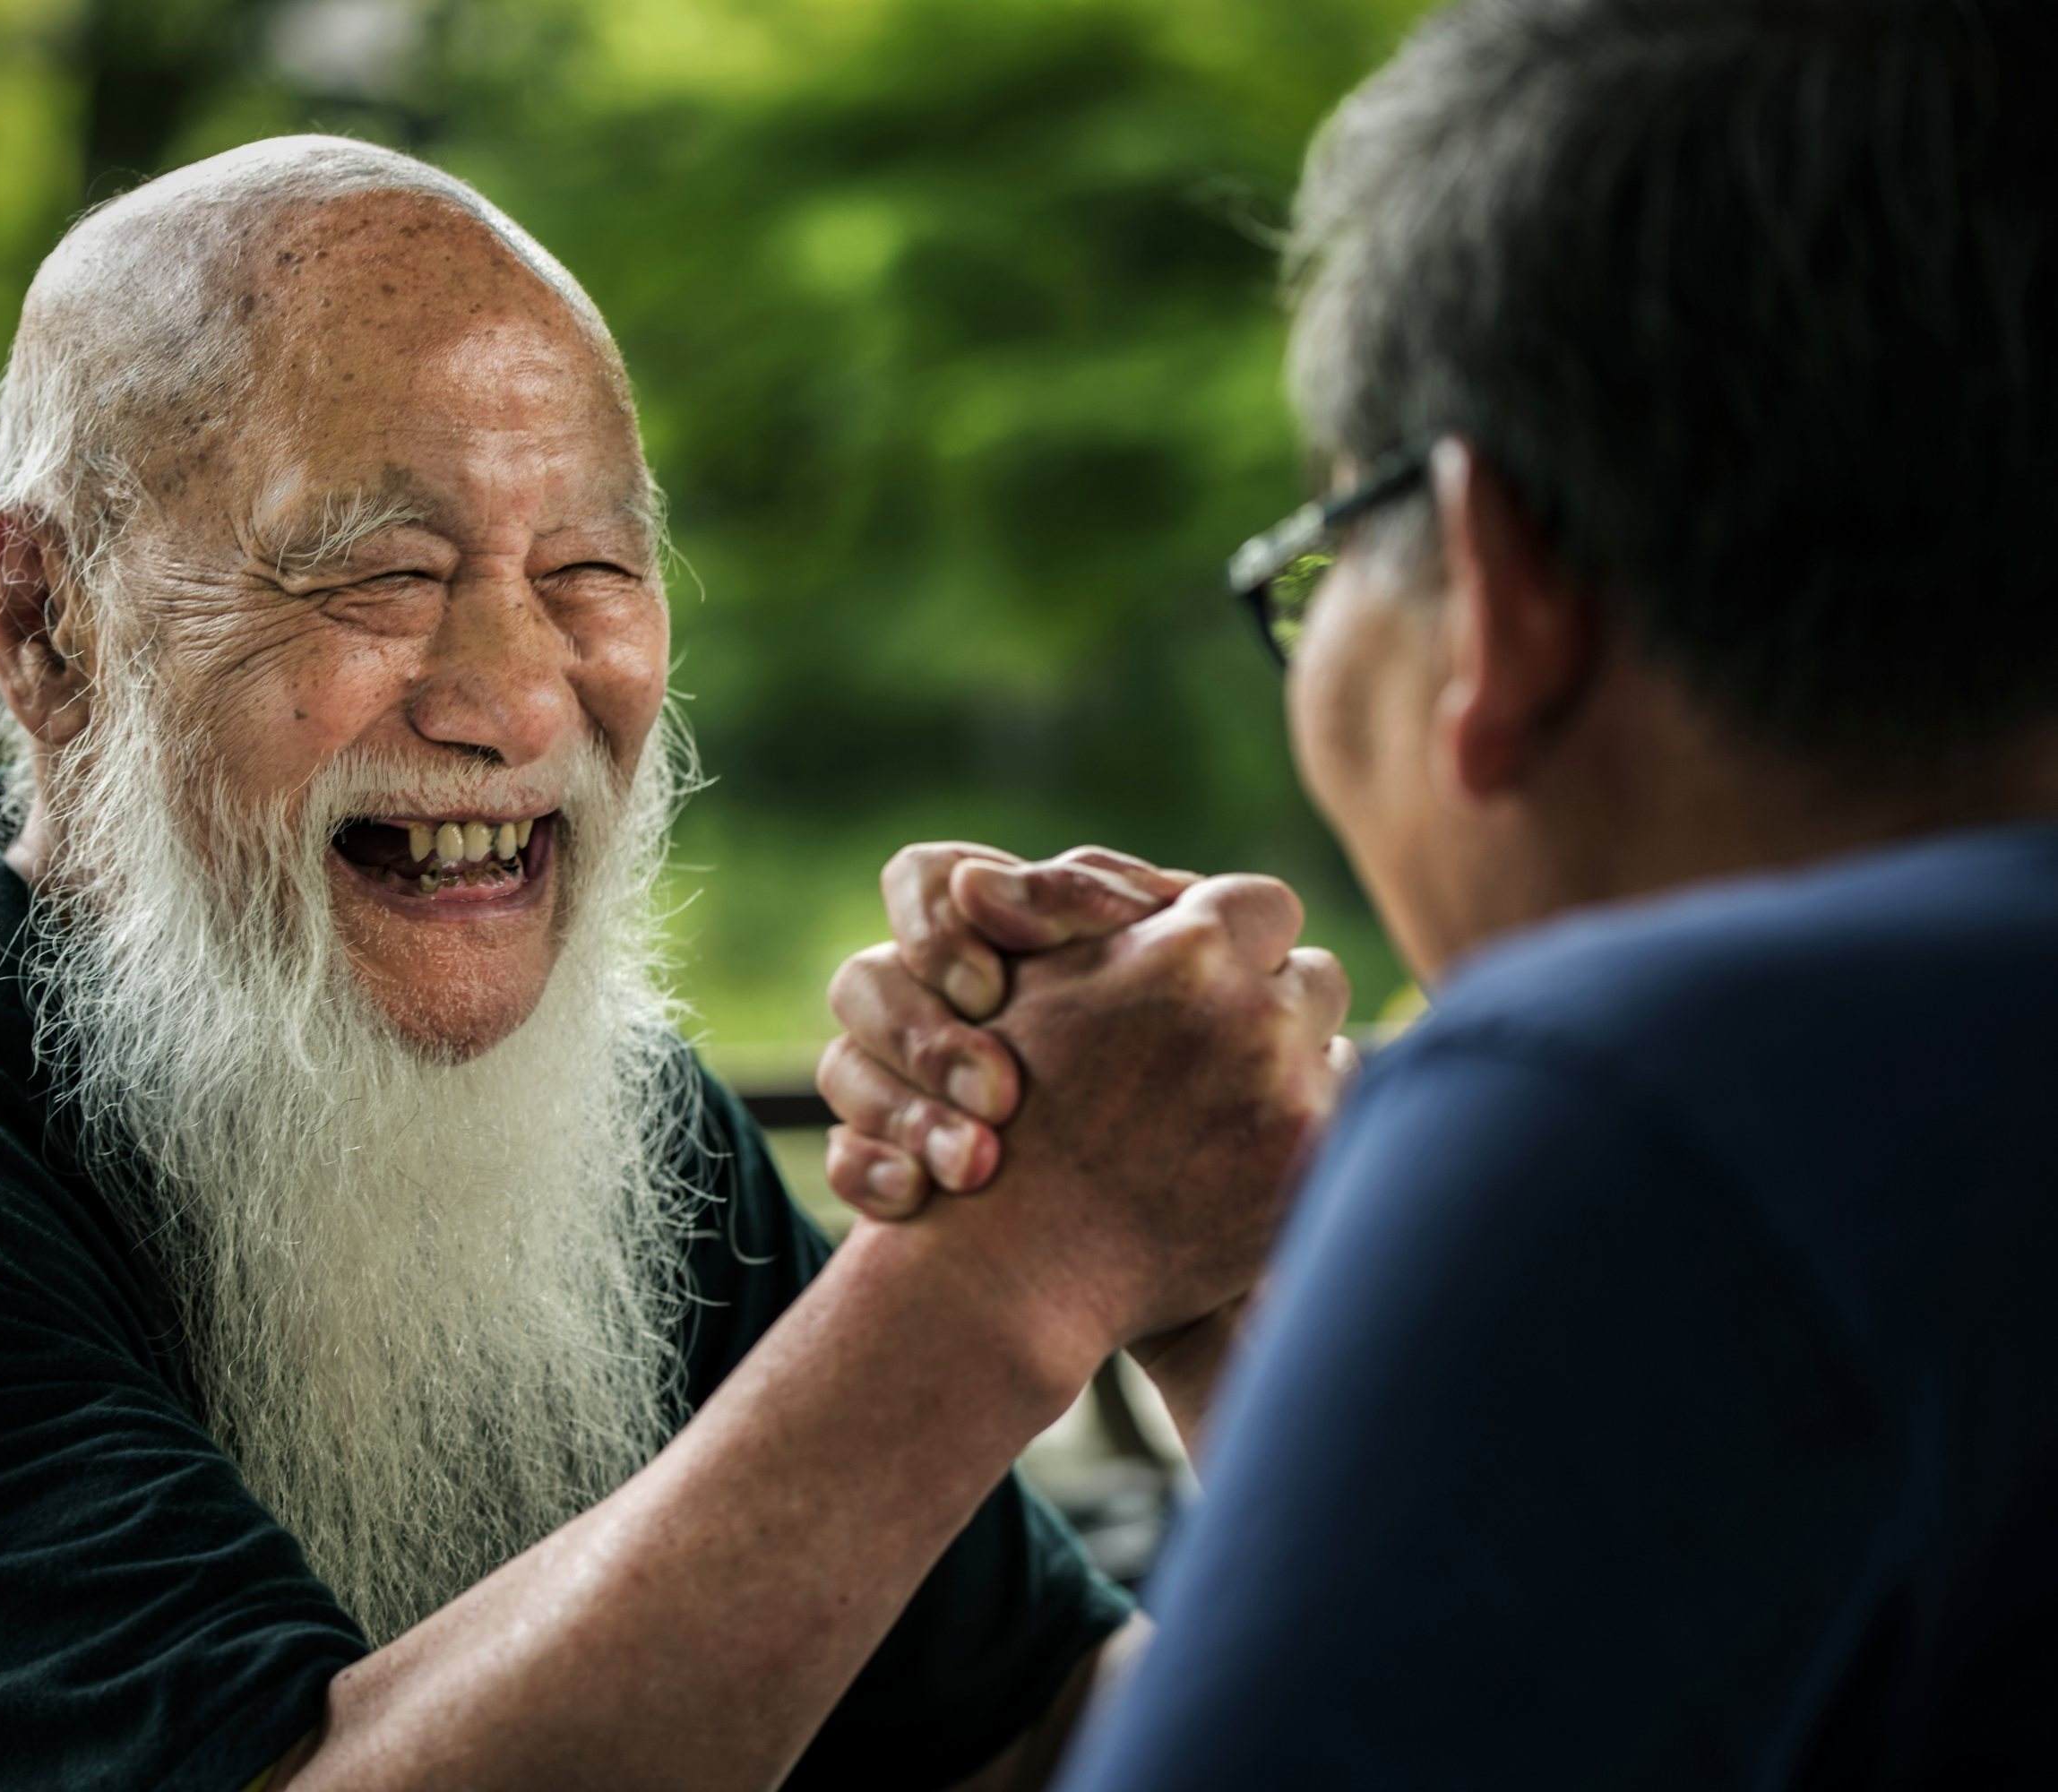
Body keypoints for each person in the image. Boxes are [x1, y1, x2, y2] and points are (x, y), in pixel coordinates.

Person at [0, 136, 1358, 1790]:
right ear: (46, 628)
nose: (513, 692)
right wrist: (1005, 1272)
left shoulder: (623, 1131)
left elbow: (1050, 1737)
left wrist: (1216, 1256)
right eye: (377, 571)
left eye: (589, 570)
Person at [815, 0, 2058, 1783]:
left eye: (1316, 567)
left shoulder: (1610, 1102)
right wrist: (1265, 1301)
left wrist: (1059, 1248)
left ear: (1495, 584)